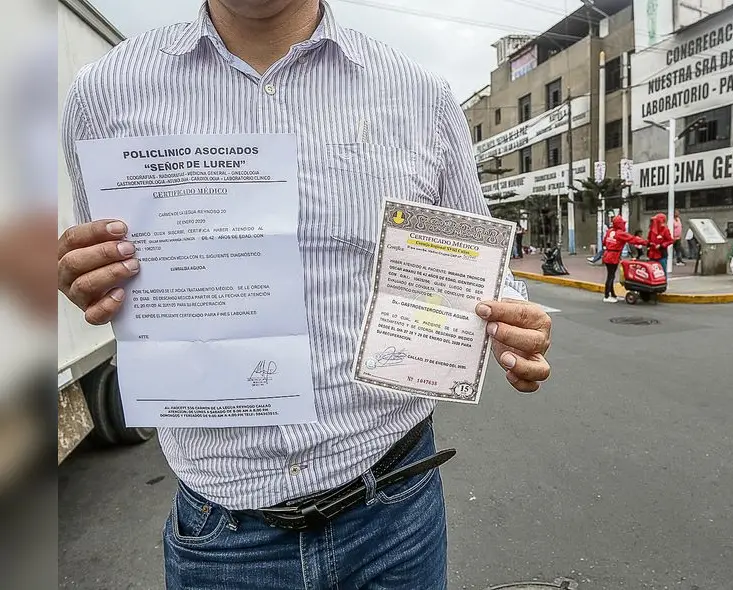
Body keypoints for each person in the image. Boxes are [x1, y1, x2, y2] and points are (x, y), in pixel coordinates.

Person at [55, 2, 553, 588]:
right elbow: (111, 274)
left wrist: (517, 320)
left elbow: (481, 265)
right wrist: (86, 276)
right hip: (224, 538)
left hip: (396, 511)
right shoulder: (103, 93)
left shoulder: (419, 95)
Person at [601, 215, 646, 303]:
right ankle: (606, 296)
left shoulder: (610, 231)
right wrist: (645, 242)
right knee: (611, 276)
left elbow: (604, 242)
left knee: (611, 275)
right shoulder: (620, 233)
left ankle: (612, 295)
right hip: (613, 256)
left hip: (607, 254)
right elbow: (632, 239)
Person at [646, 213, 674, 277]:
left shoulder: (665, 230)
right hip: (652, 254)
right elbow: (648, 239)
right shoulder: (651, 230)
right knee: (652, 272)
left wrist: (661, 245)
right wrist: (649, 244)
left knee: (662, 271)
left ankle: (664, 285)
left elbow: (670, 240)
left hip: (661, 254)